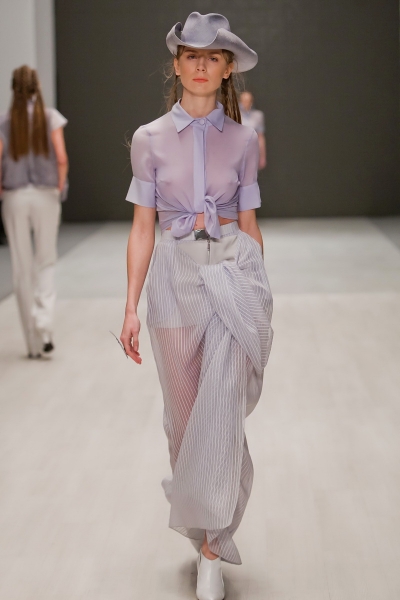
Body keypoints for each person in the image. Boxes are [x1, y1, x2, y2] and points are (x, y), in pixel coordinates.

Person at [120, 12, 273, 600]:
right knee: (184, 421)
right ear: (177, 65)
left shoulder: (244, 139)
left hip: (233, 274)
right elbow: (142, 228)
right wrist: (130, 307)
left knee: (223, 416)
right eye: (191, 55)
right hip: (175, 282)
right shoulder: (148, 138)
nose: (202, 65)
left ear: (227, 68)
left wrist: (261, 298)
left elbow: (250, 223)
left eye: (213, 57)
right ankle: (198, 514)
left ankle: (213, 546)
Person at [0, 66, 68, 358]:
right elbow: (61, 157)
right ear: (37, 86)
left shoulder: (5, 121)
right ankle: (44, 322)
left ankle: (32, 343)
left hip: (14, 196)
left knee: (21, 267)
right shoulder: (50, 117)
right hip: (45, 195)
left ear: (13, 88)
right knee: (46, 261)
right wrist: (59, 187)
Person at [239, 91, 267, 170]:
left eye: (248, 101)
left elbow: (260, 137)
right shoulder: (233, 115)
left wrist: (263, 156)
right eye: (243, 101)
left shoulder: (258, 116)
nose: (245, 103)